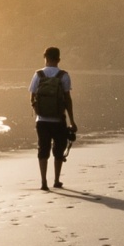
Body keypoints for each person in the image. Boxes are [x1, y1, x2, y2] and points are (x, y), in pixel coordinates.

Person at [29, 47, 76, 190]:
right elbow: (67, 99)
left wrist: (39, 111)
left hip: (42, 121)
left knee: (43, 150)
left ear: (45, 58)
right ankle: (56, 180)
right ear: (59, 59)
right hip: (59, 120)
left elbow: (32, 97)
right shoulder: (64, 76)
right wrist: (72, 121)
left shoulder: (38, 75)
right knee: (58, 150)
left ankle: (43, 182)